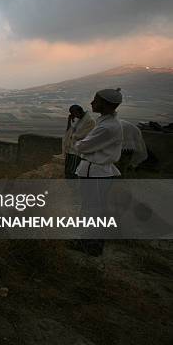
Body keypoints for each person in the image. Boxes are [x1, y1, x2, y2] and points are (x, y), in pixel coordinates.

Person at [74, 88, 124, 256]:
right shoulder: (106, 122)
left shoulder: (107, 127)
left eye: (96, 100)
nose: (92, 103)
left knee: (92, 209)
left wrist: (80, 145)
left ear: (106, 104)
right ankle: (91, 242)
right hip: (97, 171)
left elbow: (82, 145)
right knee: (95, 208)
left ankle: (90, 244)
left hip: (95, 172)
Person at [62, 105, 95, 178]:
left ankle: (74, 186)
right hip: (71, 149)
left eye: (73, 113)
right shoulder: (78, 120)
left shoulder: (90, 121)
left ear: (78, 112)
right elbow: (69, 132)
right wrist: (69, 121)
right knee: (68, 170)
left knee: (73, 171)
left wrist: (72, 136)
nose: (74, 115)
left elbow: (83, 135)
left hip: (77, 151)